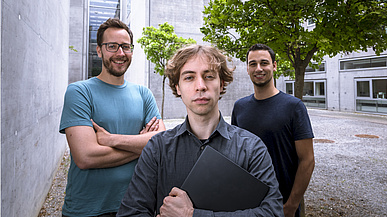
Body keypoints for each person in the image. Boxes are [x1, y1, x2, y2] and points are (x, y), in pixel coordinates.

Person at [117, 44, 284, 217]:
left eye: (209, 76)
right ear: (177, 88)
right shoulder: (157, 148)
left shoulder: (252, 148)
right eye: (189, 77)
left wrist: (191, 215)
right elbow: (131, 213)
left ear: (222, 83)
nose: (200, 86)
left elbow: (273, 212)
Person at [59, 18, 166, 217]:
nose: (120, 53)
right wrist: (141, 147)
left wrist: (112, 140)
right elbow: (85, 157)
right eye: (112, 46)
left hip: (137, 205)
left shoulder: (144, 94)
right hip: (87, 210)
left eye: (125, 47)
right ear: (99, 50)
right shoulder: (79, 92)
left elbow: (161, 143)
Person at [231, 44, 315, 217]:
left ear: (274, 66)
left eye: (264, 63)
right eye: (253, 64)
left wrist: (291, 205)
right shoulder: (239, 107)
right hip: (247, 204)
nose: (258, 68)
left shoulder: (294, 107)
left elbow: (307, 160)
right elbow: (235, 155)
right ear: (247, 68)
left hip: (282, 205)